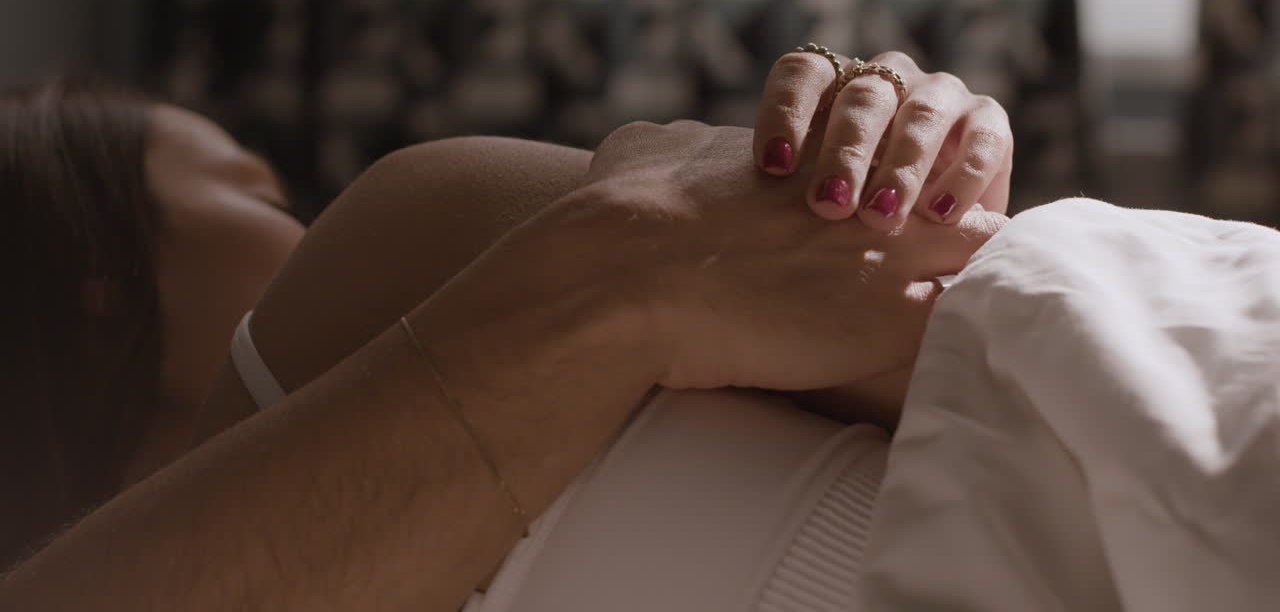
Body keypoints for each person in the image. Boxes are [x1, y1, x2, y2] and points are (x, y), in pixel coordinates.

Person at [0, 49, 1011, 609]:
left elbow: (976, 335)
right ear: (103, 288)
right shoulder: (380, 259)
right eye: (251, 192)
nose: (297, 217)